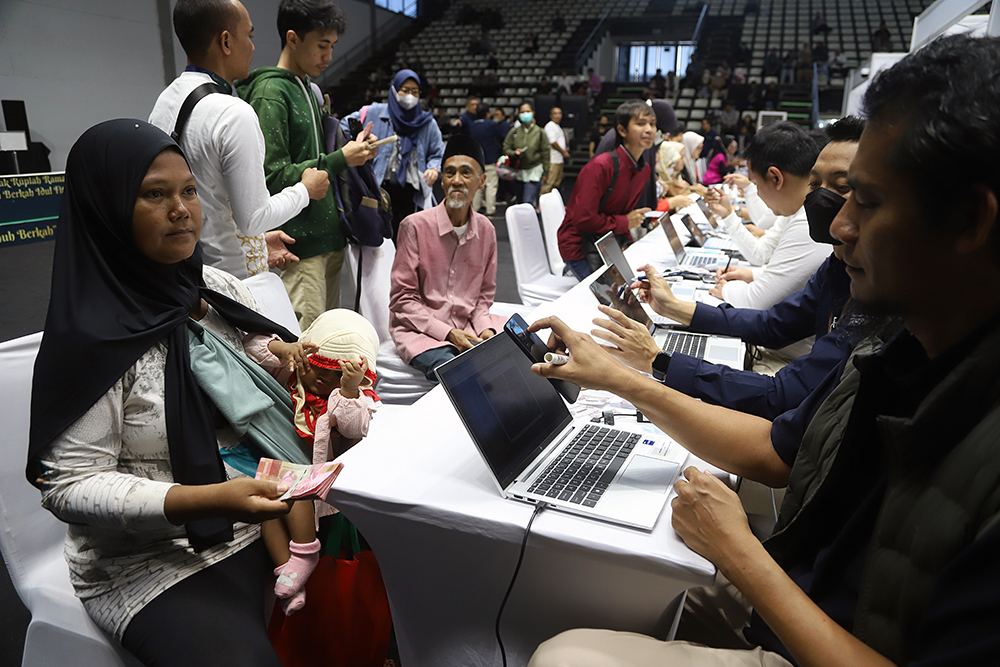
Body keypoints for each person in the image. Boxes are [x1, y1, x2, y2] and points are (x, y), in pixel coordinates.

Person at [529, 34, 1000, 666]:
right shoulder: (896, 343)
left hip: (801, 617)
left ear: (970, 221)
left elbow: (777, 386)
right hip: (800, 590)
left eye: (868, 199)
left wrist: (742, 555)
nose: (838, 224)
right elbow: (780, 449)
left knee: (567, 653)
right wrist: (630, 375)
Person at [29, 119, 305, 666]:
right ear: (106, 208)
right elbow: (69, 487)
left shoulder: (211, 288)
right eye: (155, 194)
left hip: (261, 515)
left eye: (188, 191)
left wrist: (301, 371)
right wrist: (208, 499)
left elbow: (250, 380)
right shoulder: (93, 337)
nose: (182, 209)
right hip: (150, 559)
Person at [593, 117, 864, 420]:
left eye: (841, 187)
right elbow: (772, 325)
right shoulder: (836, 266)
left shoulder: (874, 300)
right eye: (814, 184)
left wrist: (657, 363)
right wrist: (674, 308)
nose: (818, 200)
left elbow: (783, 394)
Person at [149, 0, 328, 280]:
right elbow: (253, 218)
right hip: (235, 283)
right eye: (250, 35)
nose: (253, 46)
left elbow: (209, 197)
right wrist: (305, 190)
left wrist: (258, 242)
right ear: (226, 42)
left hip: (189, 271)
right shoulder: (233, 113)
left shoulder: (166, 101)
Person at [237, 0, 375, 330]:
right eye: (321, 46)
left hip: (329, 237)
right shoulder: (271, 91)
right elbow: (272, 176)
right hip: (298, 245)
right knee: (304, 349)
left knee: (328, 345)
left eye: (332, 47)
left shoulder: (309, 91)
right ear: (293, 38)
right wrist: (342, 159)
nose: (328, 56)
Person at [256, 309, 379, 615]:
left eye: (336, 375)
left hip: (318, 473)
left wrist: (349, 389)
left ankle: (305, 552)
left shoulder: (352, 397)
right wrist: (283, 349)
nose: (323, 379)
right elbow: (250, 348)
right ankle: (289, 573)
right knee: (265, 508)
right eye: (318, 368)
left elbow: (354, 426)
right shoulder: (291, 370)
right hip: (280, 459)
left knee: (294, 490)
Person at [389, 135, 504, 382]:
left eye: (466, 173)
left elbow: (483, 298)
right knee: (464, 374)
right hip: (421, 331)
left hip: (468, 326)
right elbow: (402, 299)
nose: (457, 181)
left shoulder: (486, 230)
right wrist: (449, 333)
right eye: (449, 173)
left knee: (516, 351)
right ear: (441, 180)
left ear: (482, 181)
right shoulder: (415, 226)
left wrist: (485, 328)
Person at [705, 121, 831, 310]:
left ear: (776, 178)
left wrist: (726, 289)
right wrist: (753, 275)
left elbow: (757, 302)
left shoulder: (808, 221)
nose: (758, 193)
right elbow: (762, 254)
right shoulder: (797, 208)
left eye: (755, 184)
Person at [339, 68, 445, 239]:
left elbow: (438, 154)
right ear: (394, 90)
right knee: (379, 240)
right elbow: (344, 127)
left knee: (409, 239)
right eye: (405, 90)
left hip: (411, 192)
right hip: (378, 189)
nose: (410, 95)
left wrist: (434, 168)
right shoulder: (374, 112)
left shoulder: (427, 122)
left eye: (415, 92)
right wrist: (361, 139)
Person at [556, 100, 654, 281]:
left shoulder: (644, 169)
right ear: (622, 130)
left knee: (641, 287)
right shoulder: (601, 166)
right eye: (641, 124)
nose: (649, 129)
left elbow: (622, 213)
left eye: (652, 124)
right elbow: (583, 219)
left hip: (608, 245)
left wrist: (625, 239)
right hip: (579, 247)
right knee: (614, 301)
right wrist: (625, 222)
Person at [460, 105, 509, 215]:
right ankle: (490, 209)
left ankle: (475, 208)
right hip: (490, 158)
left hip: (476, 159)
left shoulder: (472, 125)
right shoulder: (491, 124)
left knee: (477, 185)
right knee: (491, 185)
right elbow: (502, 136)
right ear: (488, 113)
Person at [502, 101, 549, 208]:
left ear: (533, 113)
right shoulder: (514, 131)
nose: (525, 114)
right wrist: (514, 153)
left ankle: (528, 223)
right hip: (518, 171)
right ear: (519, 115)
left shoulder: (540, 132)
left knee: (527, 201)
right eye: (523, 112)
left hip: (534, 170)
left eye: (528, 111)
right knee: (520, 202)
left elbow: (546, 153)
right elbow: (506, 147)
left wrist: (546, 172)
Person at [541, 107, 569, 196]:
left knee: (555, 184)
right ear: (551, 115)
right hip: (552, 159)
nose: (558, 116)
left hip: (558, 159)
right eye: (555, 113)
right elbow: (552, 142)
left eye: (559, 113)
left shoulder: (557, 127)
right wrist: (563, 152)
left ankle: (551, 205)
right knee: (548, 183)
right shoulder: (550, 126)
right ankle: (542, 205)